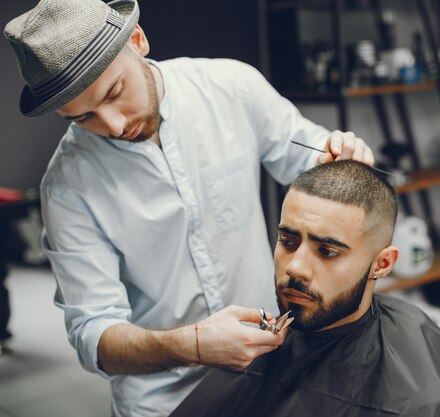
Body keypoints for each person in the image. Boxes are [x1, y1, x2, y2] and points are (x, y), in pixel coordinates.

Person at [4, 0, 374, 415]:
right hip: (164, 401)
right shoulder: (67, 188)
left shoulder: (232, 88)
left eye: (115, 92)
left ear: (138, 41)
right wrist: (195, 345)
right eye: (83, 117)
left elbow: (307, 158)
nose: (112, 126)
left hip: (274, 374)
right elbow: (95, 336)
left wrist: (339, 156)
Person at [171, 160, 440, 417]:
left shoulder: (423, 402)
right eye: (288, 241)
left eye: (327, 251)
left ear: (382, 264)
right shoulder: (250, 352)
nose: (296, 267)